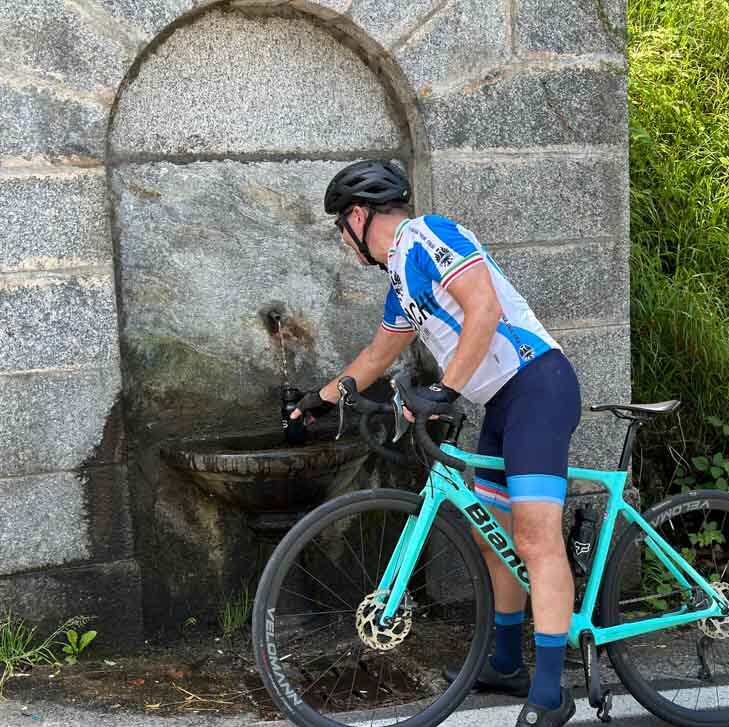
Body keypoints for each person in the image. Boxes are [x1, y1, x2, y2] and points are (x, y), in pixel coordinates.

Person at [290, 160, 581, 727]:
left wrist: (443, 391)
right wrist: (323, 398)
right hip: (503, 402)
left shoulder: (427, 235)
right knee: (490, 534)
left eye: (339, 227)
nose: (343, 240)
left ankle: (550, 693)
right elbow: (379, 355)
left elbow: (484, 307)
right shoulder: (401, 278)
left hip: (539, 386)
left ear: (357, 216)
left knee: (533, 536)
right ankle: (503, 662)